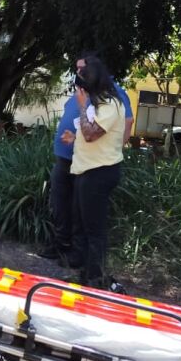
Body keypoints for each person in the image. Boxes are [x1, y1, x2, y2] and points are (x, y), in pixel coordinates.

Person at [38, 53, 133, 263]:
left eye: (82, 70)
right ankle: (63, 246)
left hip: (96, 166)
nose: (78, 74)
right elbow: (87, 127)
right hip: (72, 160)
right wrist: (74, 136)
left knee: (89, 221)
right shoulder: (85, 93)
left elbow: (115, 126)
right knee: (64, 205)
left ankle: (88, 269)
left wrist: (113, 149)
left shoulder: (111, 97)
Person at [66, 59, 126, 288]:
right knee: (81, 225)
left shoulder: (111, 104)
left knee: (94, 230)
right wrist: (74, 137)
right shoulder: (98, 104)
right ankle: (84, 274)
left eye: (82, 88)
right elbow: (87, 134)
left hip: (99, 173)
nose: (80, 92)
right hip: (86, 170)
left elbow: (91, 134)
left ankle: (95, 279)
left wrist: (81, 106)